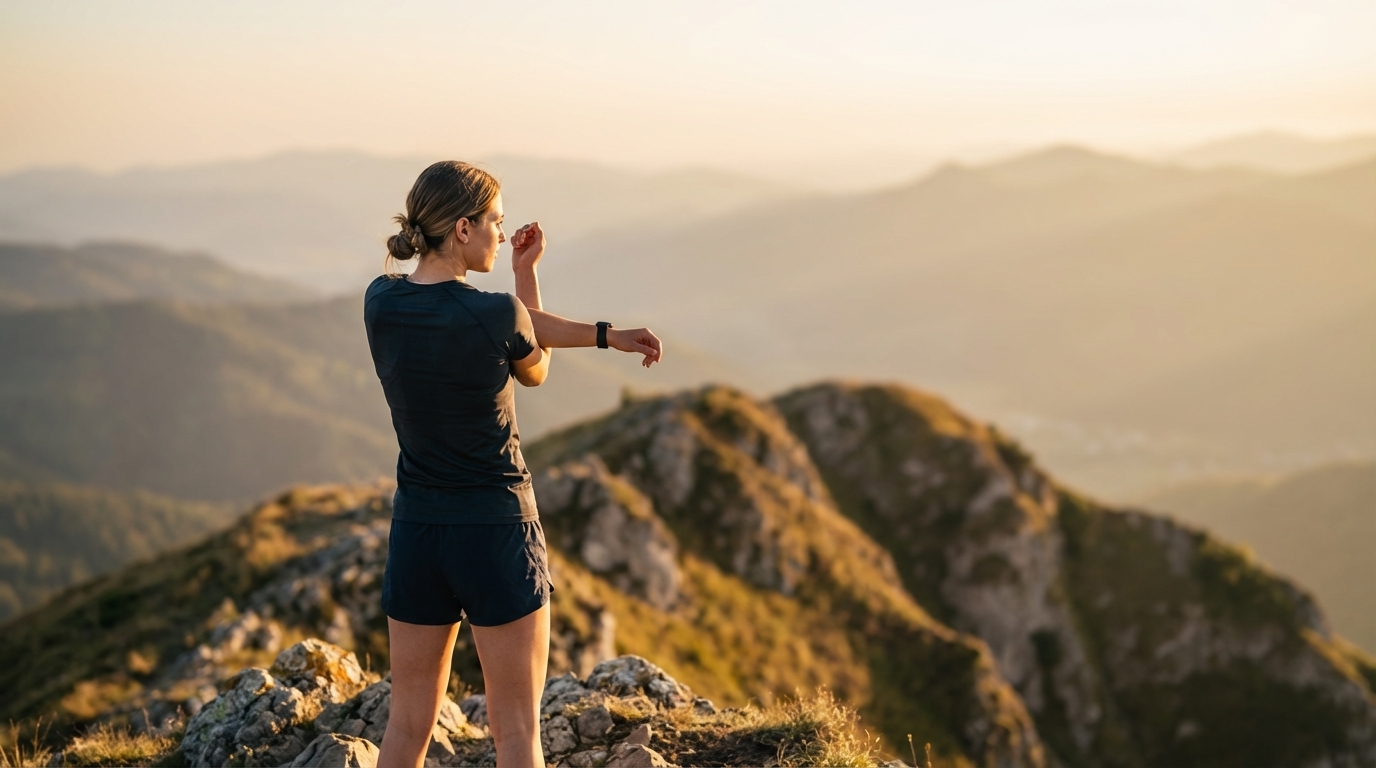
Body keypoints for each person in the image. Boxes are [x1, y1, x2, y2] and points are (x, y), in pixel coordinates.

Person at [363, 160, 663, 768]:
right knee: (517, 731)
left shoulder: (380, 301)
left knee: (408, 725)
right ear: (464, 228)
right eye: (496, 222)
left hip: (417, 531)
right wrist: (533, 279)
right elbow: (535, 366)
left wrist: (589, 323)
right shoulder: (497, 312)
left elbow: (507, 325)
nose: (503, 233)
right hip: (497, 530)